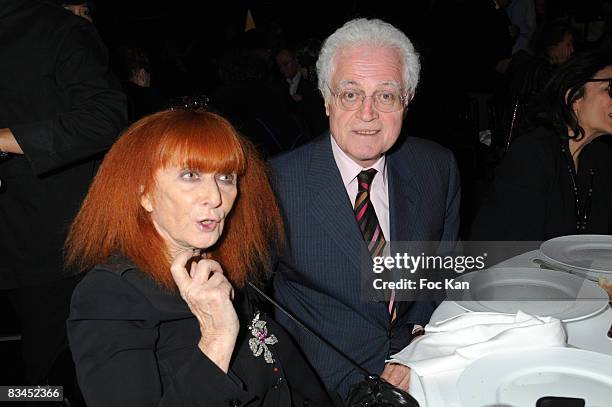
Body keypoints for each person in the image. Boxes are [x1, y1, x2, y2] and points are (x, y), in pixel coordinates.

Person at [65, 109, 337, 407]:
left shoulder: (222, 267)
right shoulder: (108, 296)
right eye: (190, 175)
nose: (216, 196)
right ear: (144, 192)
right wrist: (216, 339)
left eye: (226, 177)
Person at [270, 18, 461, 398]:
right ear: (326, 99)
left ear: (407, 101)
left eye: (386, 95)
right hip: (320, 387)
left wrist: (422, 344)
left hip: (425, 370)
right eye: (350, 94)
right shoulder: (275, 184)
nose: (368, 113)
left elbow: (443, 271)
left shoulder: (436, 167)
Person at [0, 0, 126, 394]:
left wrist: (6, 139)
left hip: (52, 241)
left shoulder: (54, 27)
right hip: (15, 240)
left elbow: (106, 116)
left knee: (54, 373)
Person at [470, 49, 612, 242]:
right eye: (609, 89)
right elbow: (516, 246)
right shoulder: (532, 154)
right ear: (574, 97)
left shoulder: (600, 158)